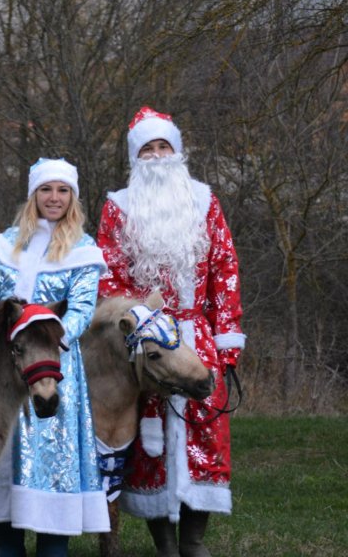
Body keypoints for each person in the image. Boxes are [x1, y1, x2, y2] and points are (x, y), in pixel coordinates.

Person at [96, 107, 246, 557]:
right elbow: (110, 275)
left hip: (198, 338)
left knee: (206, 434)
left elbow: (225, 269)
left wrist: (228, 338)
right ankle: (163, 541)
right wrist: (140, 323)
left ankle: (194, 541)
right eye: (148, 148)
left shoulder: (205, 203)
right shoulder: (118, 209)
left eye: (164, 147)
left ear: (178, 153)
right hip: (145, 343)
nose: (157, 156)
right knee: (148, 442)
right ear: (135, 158)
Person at [0, 158, 111, 557]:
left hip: (53, 365)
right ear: (34, 195)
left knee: (51, 455)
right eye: (46, 190)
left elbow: (82, 309)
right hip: (3, 369)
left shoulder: (83, 251)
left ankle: (54, 545)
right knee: (3, 452)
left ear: (73, 198)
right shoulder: (6, 244)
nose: (54, 198)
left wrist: (51, 339)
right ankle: (6, 544)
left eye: (63, 191)